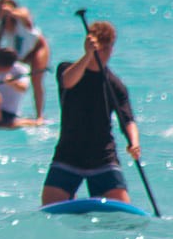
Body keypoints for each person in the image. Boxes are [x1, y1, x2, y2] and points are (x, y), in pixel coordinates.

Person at [40, 21, 141, 205]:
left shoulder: (114, 85)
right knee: (49, 208)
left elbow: (128, 119)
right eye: (100, 49)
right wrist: (87, 55)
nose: (105, 54)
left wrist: (134, 142)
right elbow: (68, 82)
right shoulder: (67, 69)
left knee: (121, 211)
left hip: (103, 157)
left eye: (108, 48)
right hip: (67, 155)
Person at [0, 0, 51, 121]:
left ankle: (39, 115)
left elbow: (25, 17)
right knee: (10, 80)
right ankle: (5, 112)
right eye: (0, 10)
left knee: (36, 79)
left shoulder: (21, 16)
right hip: (20, 56)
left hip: (37, 48)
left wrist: (10, 12)